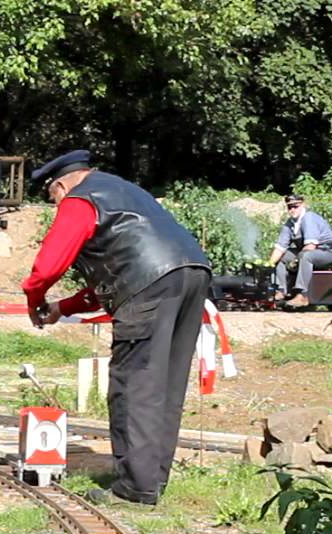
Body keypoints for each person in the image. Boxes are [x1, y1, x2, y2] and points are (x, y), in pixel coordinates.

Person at [21, 150, 212, 506]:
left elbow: (48, 267)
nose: (55, 205)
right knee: (166, 383)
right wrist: (63, 307)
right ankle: (152, 479)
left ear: (60, 187)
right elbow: (124, 268)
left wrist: (34, 297)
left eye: (52, 198)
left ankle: (135, 488)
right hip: (192, 274)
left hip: (151, 283)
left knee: (134, 382)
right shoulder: (125, 191)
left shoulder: (79, 199)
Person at [267, 194, 332, 308]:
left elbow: (311, 246)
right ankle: (281, 290)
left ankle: (302, 295)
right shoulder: (290, 224)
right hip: (304, 252)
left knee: (306, 256)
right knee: (282, 256)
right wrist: (268, 264)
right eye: (290, 207)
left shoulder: (309, 219)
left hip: (326, 252)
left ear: (303, 205)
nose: (292, 210)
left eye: (295, 206)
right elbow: (280, 247)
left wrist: (295, 260)